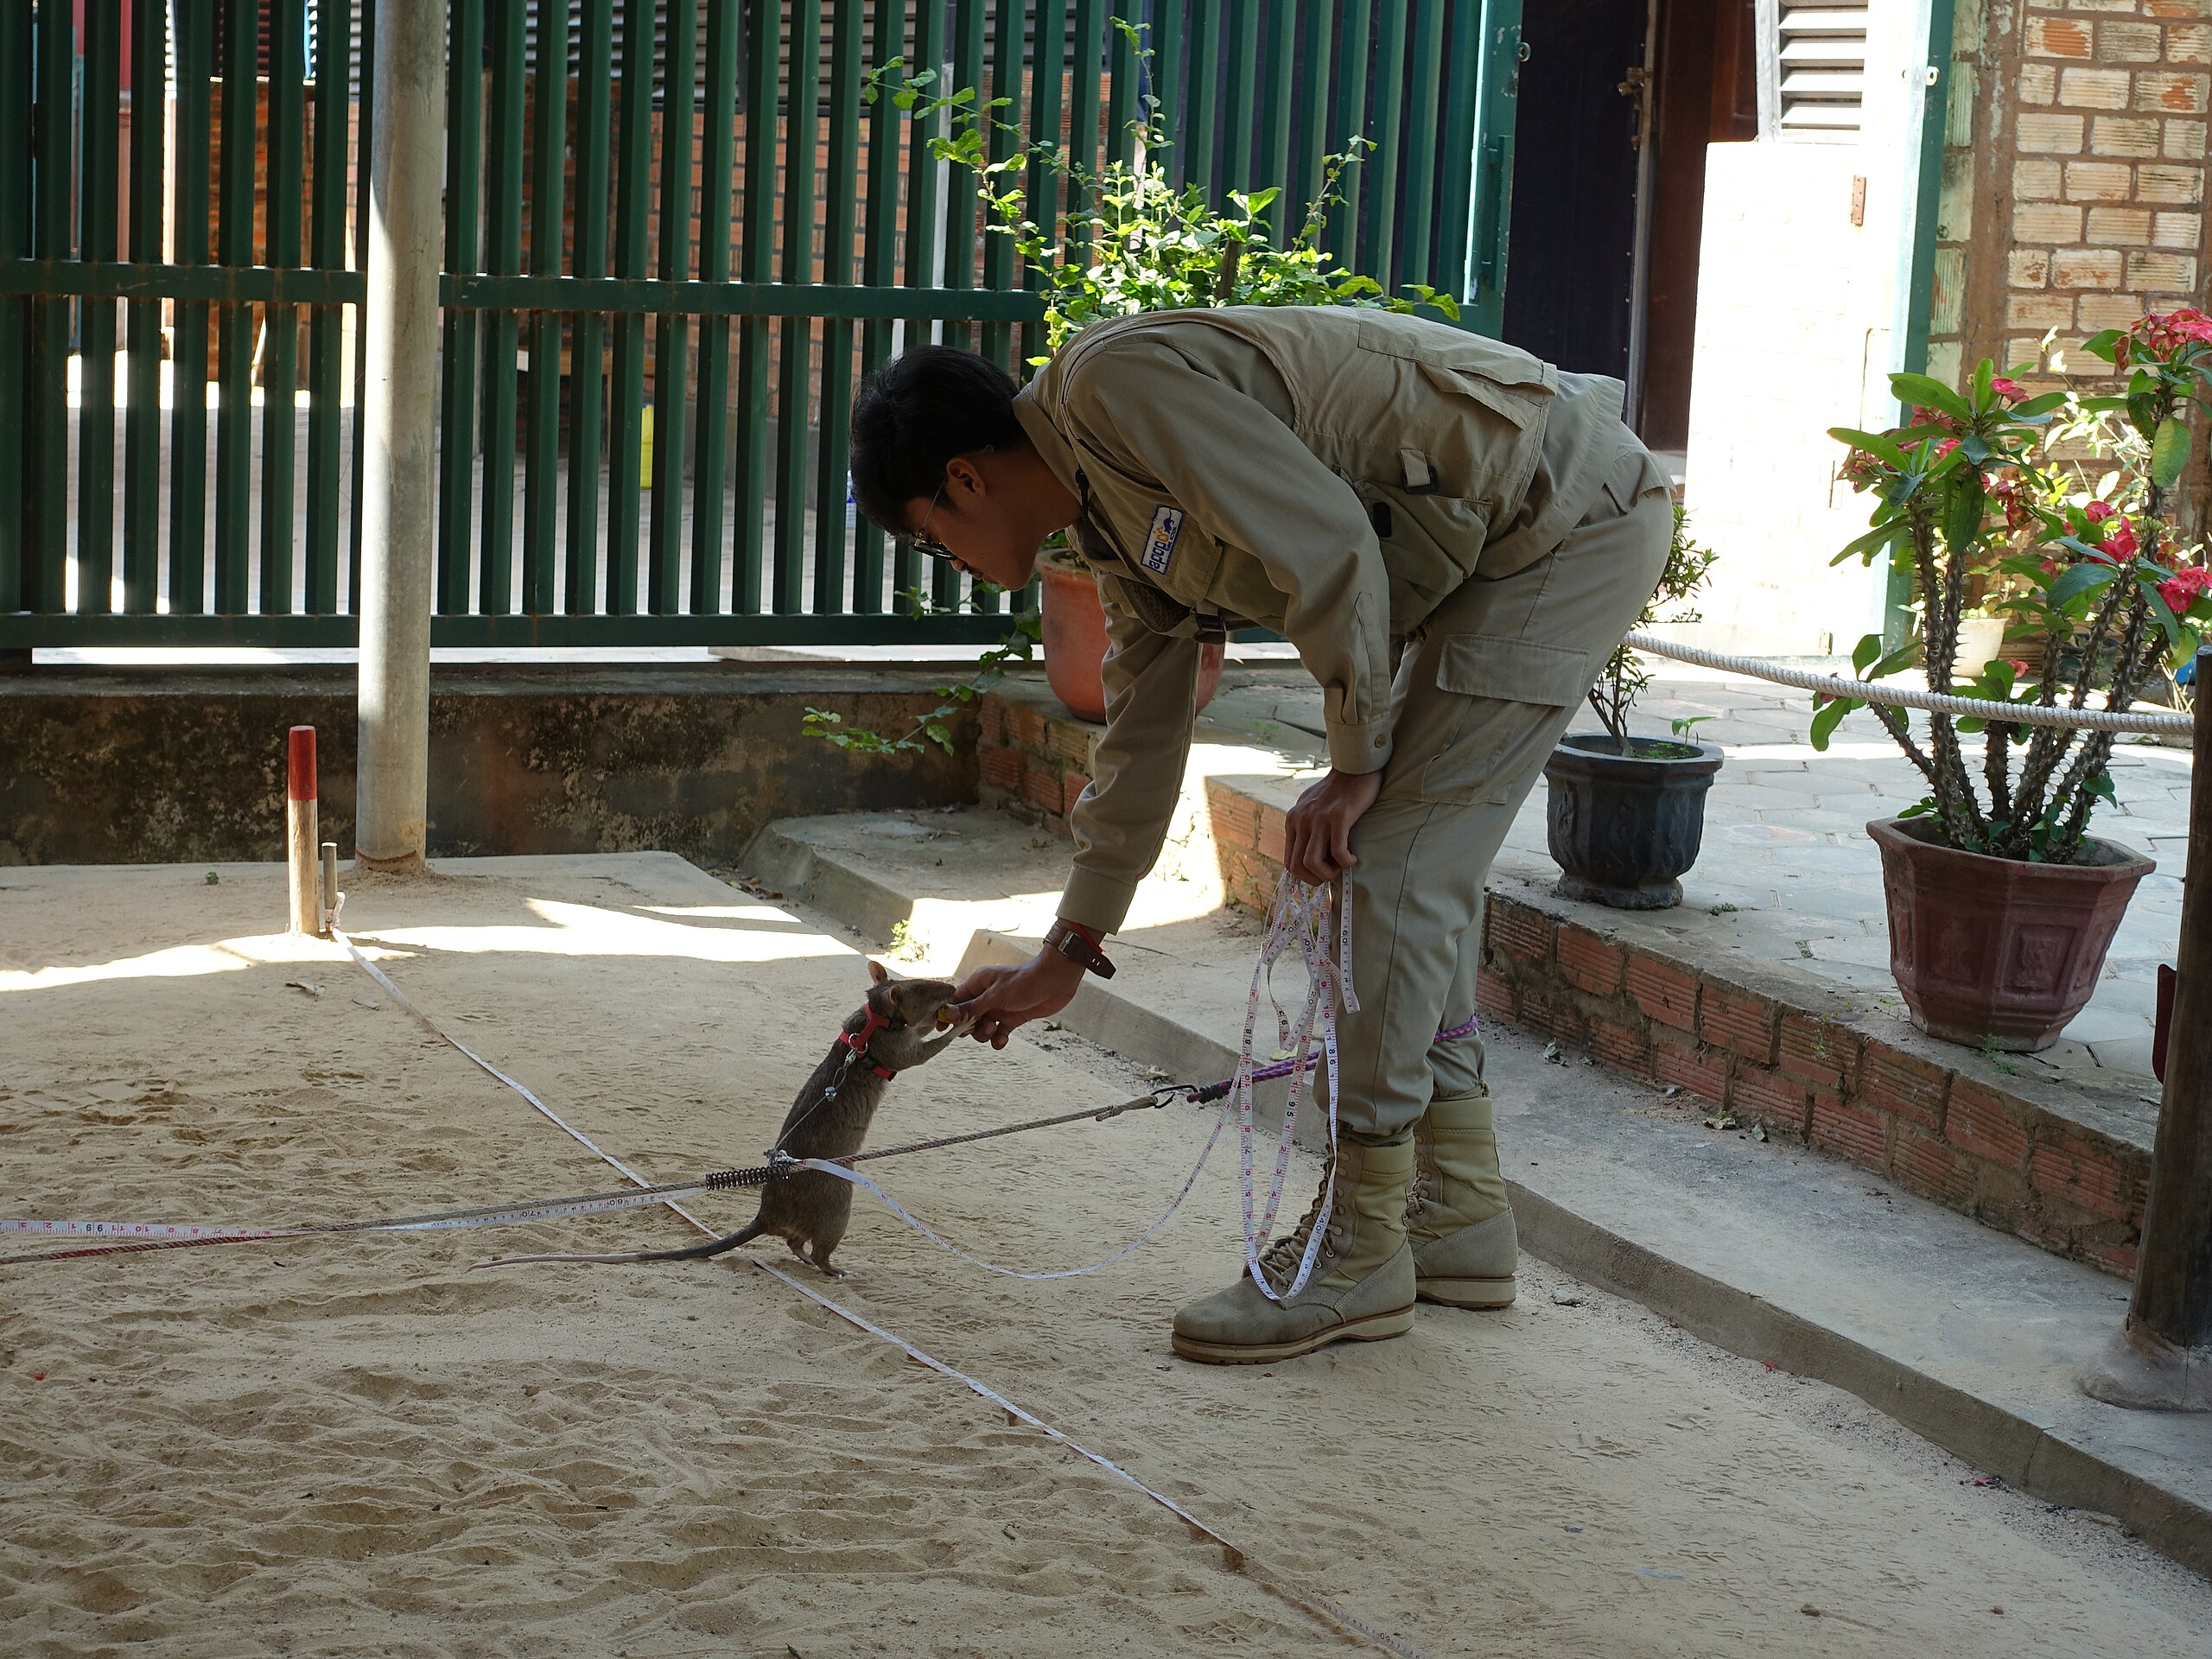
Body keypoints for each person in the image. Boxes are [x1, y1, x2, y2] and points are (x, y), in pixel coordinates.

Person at [848, 305, 1672, 1364]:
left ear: (963, 479)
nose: (943, 559)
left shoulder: (1111, 388)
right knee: (1404, 865)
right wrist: (1067, 951)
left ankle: (1360, 1245)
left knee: (1392, 863)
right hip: (1506, 548)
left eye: (926, 535)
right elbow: (1141, 735)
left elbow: (1327, 543)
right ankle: (1459, 1211)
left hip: (1564, 522)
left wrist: (1354, 763)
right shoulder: (1106, 509)